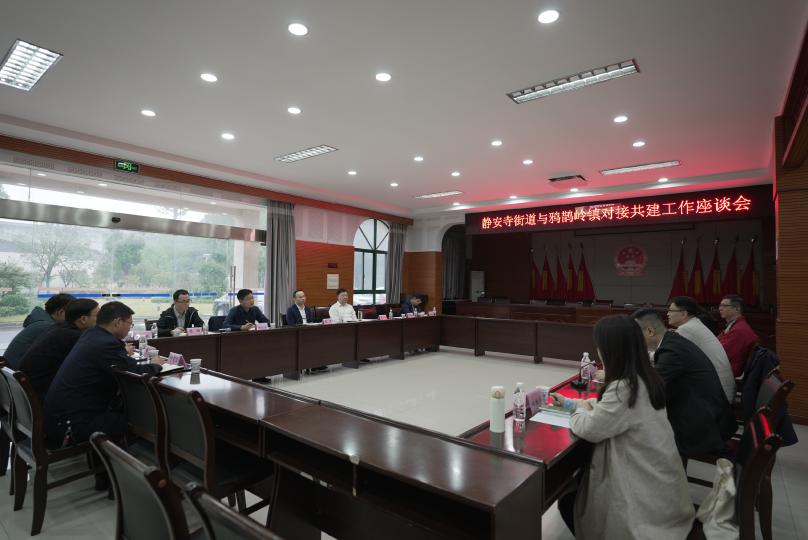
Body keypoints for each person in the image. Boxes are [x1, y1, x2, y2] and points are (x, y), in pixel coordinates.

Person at [551, 315, 694, 539]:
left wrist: (575, 412)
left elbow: (591, 428)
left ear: (611, 350)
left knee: (569, 500)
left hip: (642, 498)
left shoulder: (624, 387)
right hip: (661, 489)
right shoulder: (645, 376)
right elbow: (609, 411)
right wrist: (572, 403)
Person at [43, 301, 164, 446]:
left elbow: (122, 366)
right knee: (141, 418)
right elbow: (134, 373)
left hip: (61, 416)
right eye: (129, 324)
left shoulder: (92, 335)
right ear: (117, 322)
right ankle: (130, 458)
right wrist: (156, 364)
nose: (129, 328)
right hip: (72, 424)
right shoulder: (106, 343)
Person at [632, 308, 736, 455]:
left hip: (703, 427)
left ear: (650, 331)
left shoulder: (671, 350)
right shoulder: (672, 342)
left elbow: (650, 389)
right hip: (708, 413)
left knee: (636, 433)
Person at [18, 298, 99, 403]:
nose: (102, 319)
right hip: (43, 395)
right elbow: (93, 360)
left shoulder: (60, 327)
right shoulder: (71, 336)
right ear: (83, 319)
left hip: (30, 391)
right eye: (98, 316)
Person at [667, 296, 736, 401]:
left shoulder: (687, 329)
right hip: (719, 388)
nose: (668, 314)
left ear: (684, 314)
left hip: (716, 394)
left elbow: (669, 357)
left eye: (671, 311)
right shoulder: (693, 324)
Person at [3, 293, 75, 368]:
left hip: (9, 370)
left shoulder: (41, 323)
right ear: (61, 312)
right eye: (73, 314)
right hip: (18, 372)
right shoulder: (49, 328)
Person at [717, 294, 759, 377]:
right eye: (720, 305)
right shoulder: (735, 324)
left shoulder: (739, 330)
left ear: (737, 309)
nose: (720, 308)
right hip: (724, 367)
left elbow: (719, 354)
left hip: (726, 373)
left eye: (724, 306)